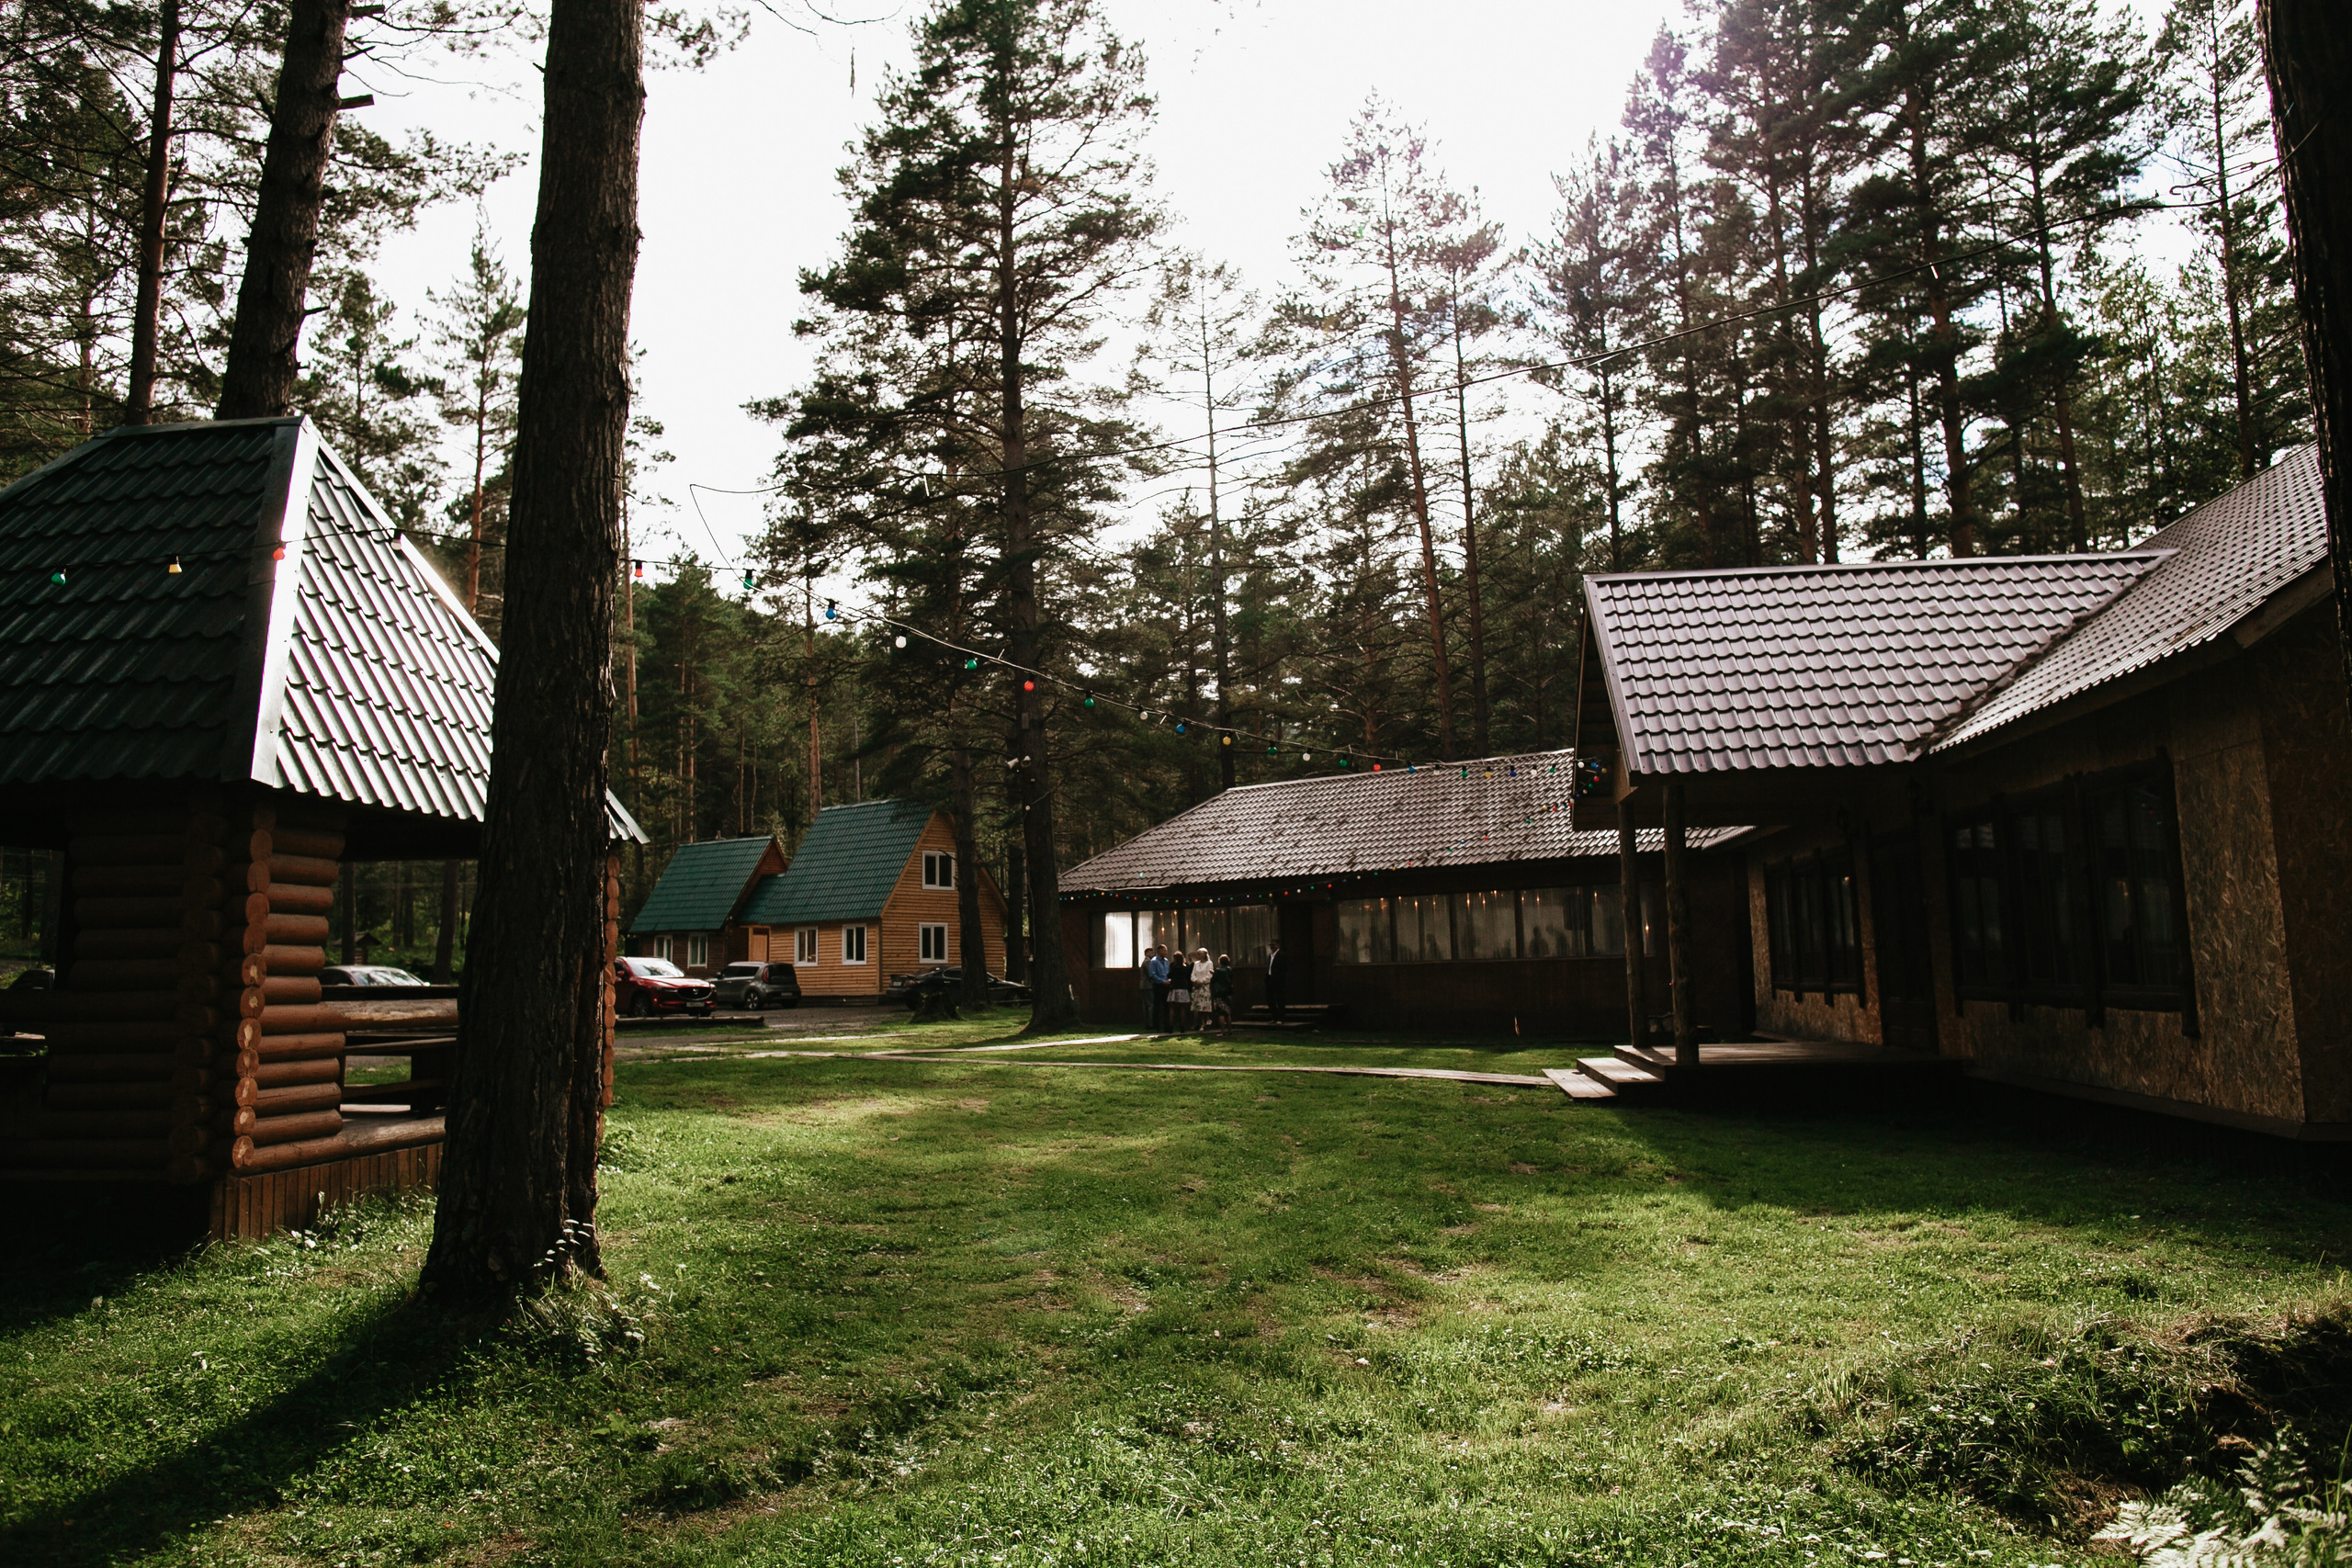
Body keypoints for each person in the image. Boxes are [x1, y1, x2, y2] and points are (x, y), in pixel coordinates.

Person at [1189, 947, 1216, 1033]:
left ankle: (1206, 1022)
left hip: (1204, 986)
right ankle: (1199, 1023)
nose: (1198, 956)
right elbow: (1193, 974)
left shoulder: (1209, 963)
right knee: (1197, 1006)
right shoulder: (1196, 964)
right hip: (1196, 986)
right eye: (1198, 954)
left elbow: (1209, 975)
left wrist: (1201, 981)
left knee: (1204, 1005)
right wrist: (1195, 980)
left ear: (1204, 955)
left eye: (1200, 954)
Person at [1166, 947, 1193, 1032]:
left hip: (1174, 987)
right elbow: (1188, 976)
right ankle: (1182, 1026)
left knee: (1172, 1008)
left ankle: (1171, 1026)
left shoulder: (1173, 966)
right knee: (1182, 1008)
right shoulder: (1185, 967)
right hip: (1183, 987)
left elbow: (1169, 975)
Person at [1147, 945, 1171, 1031]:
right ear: (1159, 951)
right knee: (1156, 1006)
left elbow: (1168, 972)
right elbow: (1152, 974)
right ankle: (1156, 1025)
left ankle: (1166, 1025)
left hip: (1166, 985)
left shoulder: (1166, 961)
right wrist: (1162, 981)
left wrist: (1169, 980)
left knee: (1166, 1006)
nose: (1166, 952)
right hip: (1158, 985)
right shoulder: (1154, 961)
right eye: (1165, 950)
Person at [1209, 953, 1236, 1032]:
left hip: (1219, 993)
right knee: (1228, 1012)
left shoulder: (1218, 971)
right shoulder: (1229, 970)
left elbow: (1213, 980)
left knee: (1220, 1013)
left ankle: (1222, 1031)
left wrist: (1214, 974)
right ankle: (1230, 1030)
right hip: (1227, 993)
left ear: (1220, 962)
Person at [1264, 938, 1288, 1023]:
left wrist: (1280, 979)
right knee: (1270, 999)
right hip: (1270, 979)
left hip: (1278, 980)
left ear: (1278, 945)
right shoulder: (1270, 956)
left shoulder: (1282, 955)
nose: (1271, 946)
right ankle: (1275, 1017)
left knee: (1279, 999)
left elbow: (1283, 969)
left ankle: (1281, 1018)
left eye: (1273, 945)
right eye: (1270, 945)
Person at [1136, 945, 1158, 1030]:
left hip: (1144, 986)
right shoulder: (1148, 962)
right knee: (1151, 1005)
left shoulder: (1145, 962)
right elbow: (1150, 973)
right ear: (1147, 953)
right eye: (1151, 952)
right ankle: (1151, 1023)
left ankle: (1147, 1023)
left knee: (1146, 1005)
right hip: (1148, 986)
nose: (1153, 954)